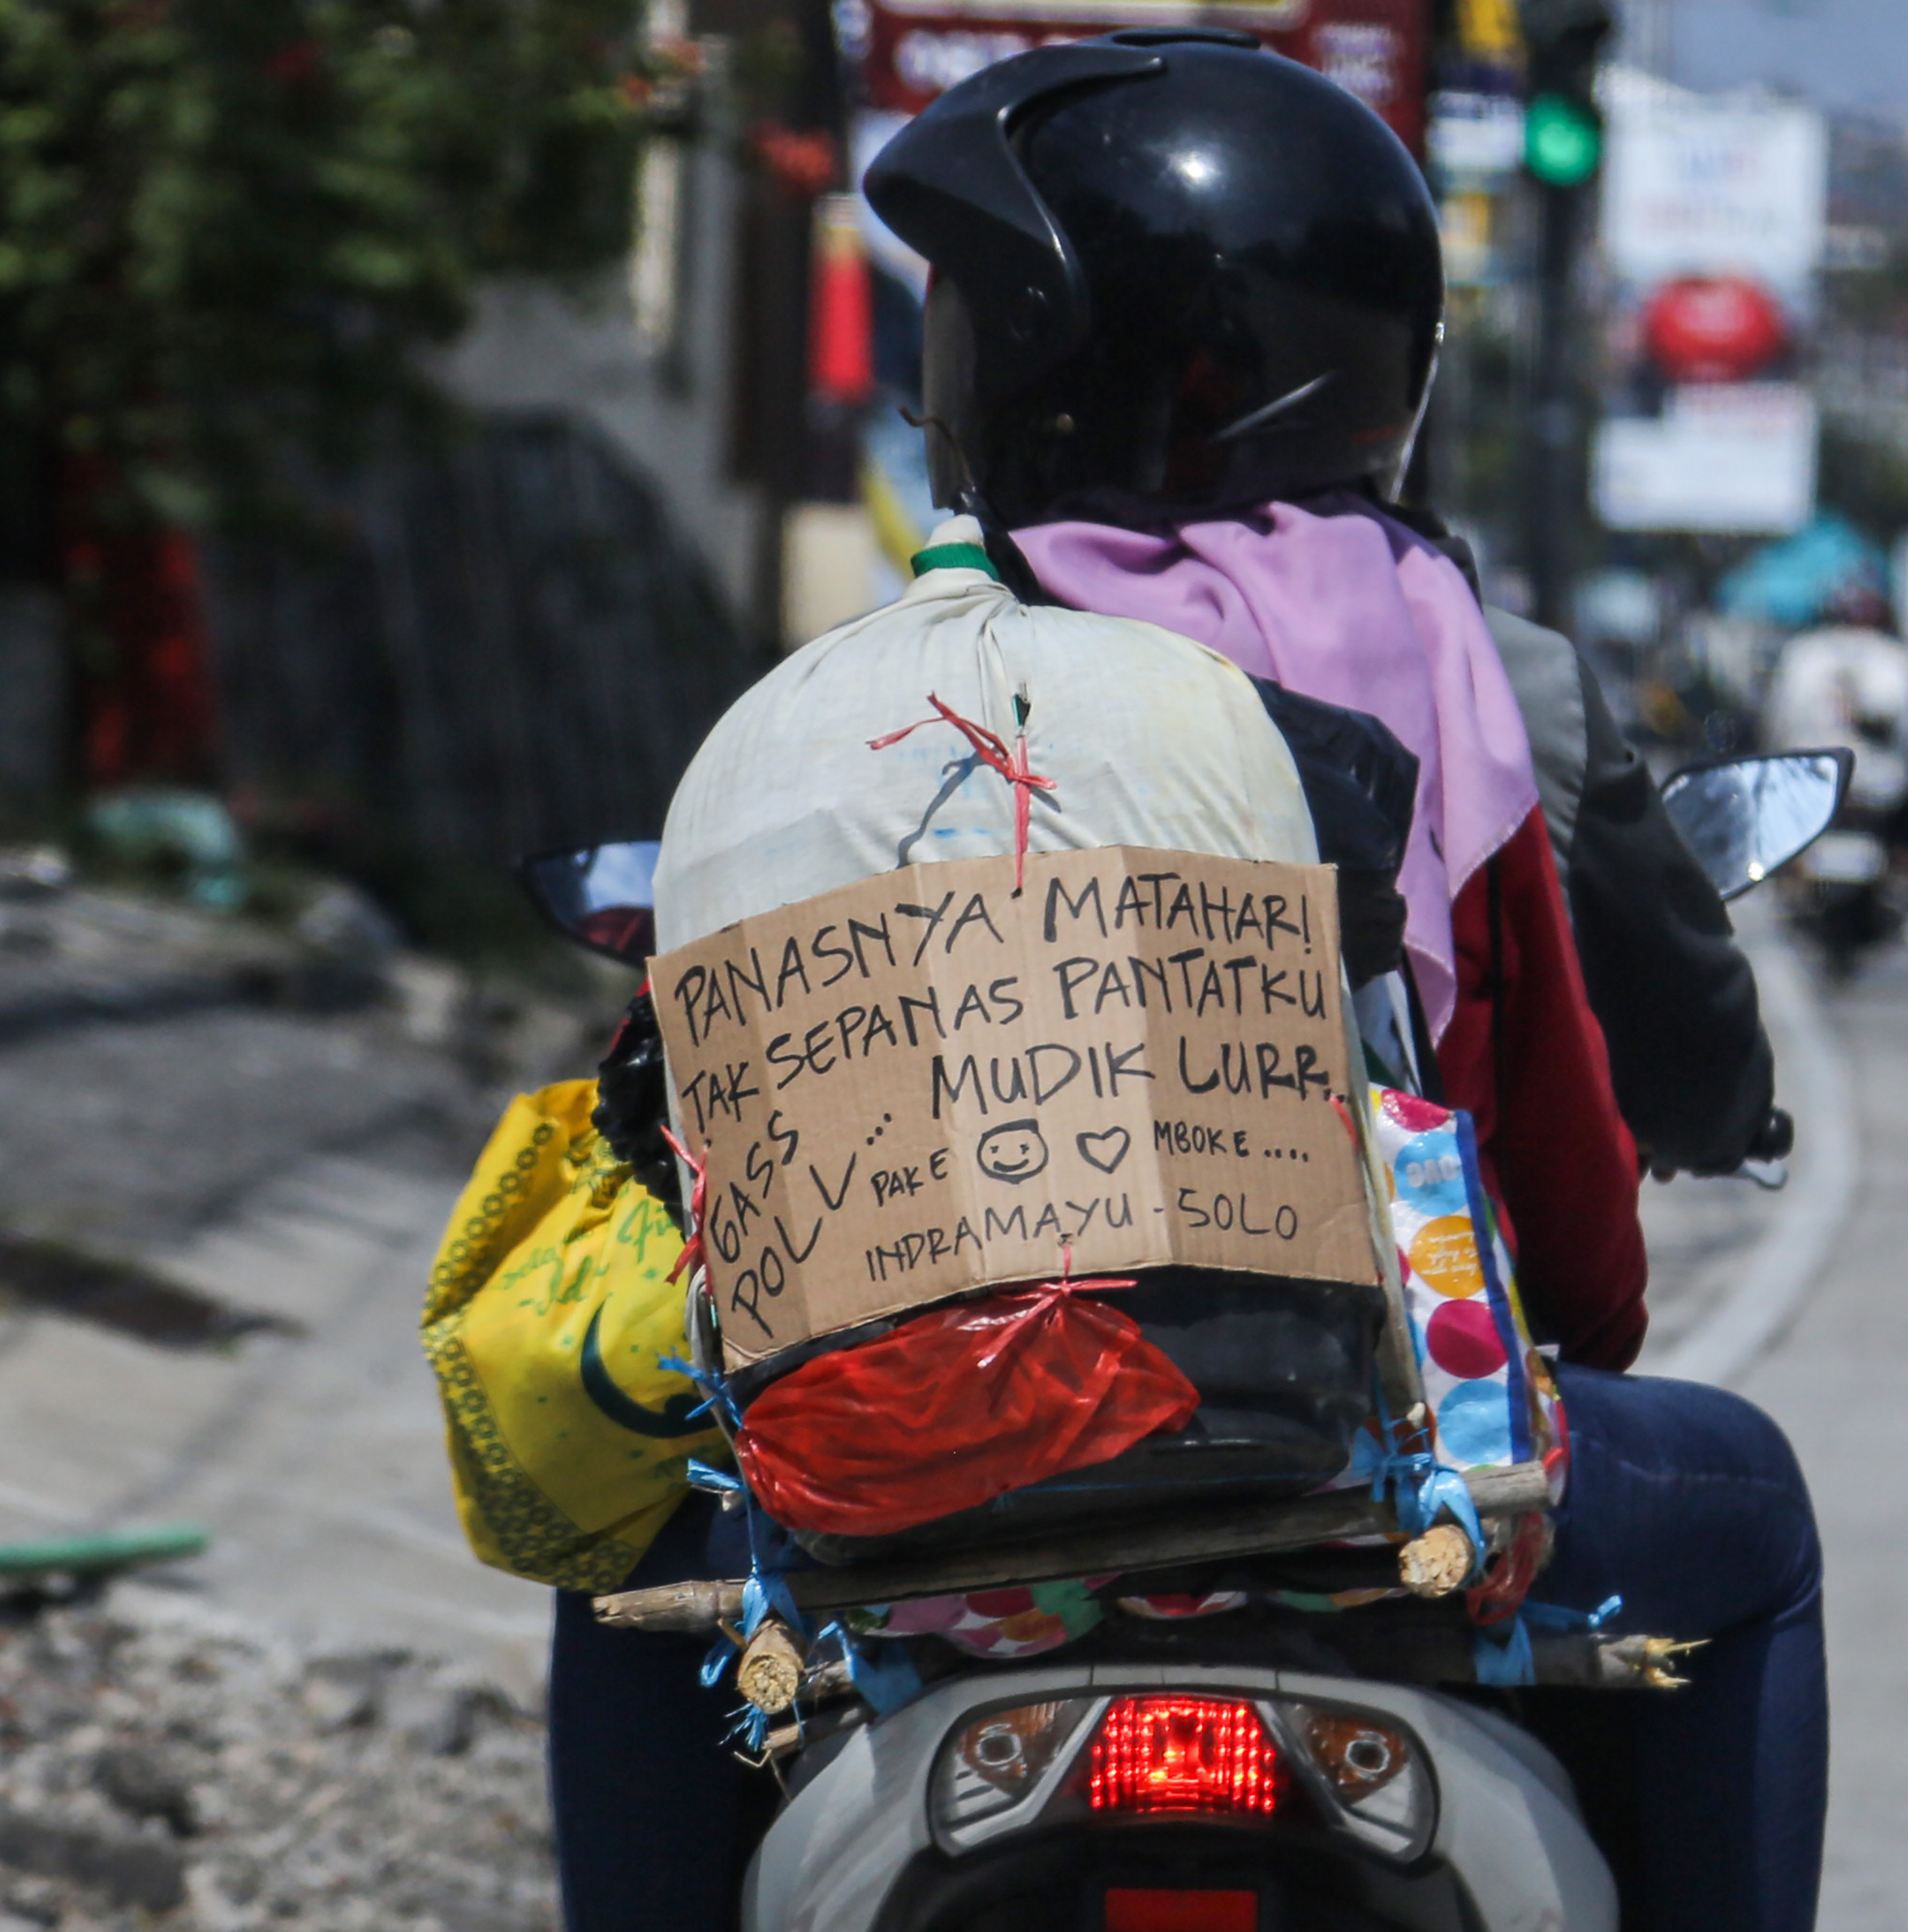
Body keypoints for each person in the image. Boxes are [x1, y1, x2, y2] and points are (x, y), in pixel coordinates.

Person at [549, 33, 1823, 1932]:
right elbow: (1571, 1193)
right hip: (1349, 1472)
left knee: (620, 1560)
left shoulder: (878, 694)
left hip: (902, 1490)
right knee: (1748, 1511)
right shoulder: (1468, 667)